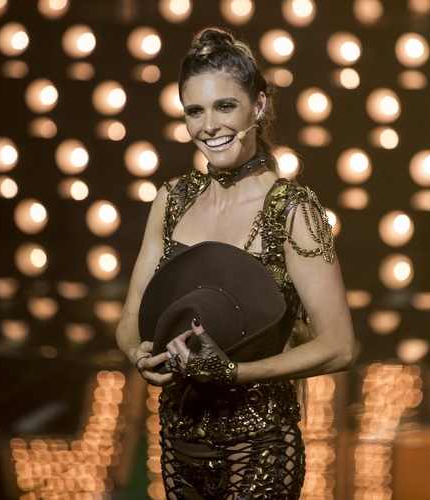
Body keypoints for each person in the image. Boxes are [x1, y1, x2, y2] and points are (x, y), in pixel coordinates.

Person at [116, 27, 355, 500]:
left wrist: (234, 373)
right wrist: (139, 356)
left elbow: (340, 346)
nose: (209, 126)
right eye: (195, 111)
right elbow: (130, 316)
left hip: (259, 447)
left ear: (258, 106)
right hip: (178, 444)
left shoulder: (292, 210)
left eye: (225, 106)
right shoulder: (172, 200)